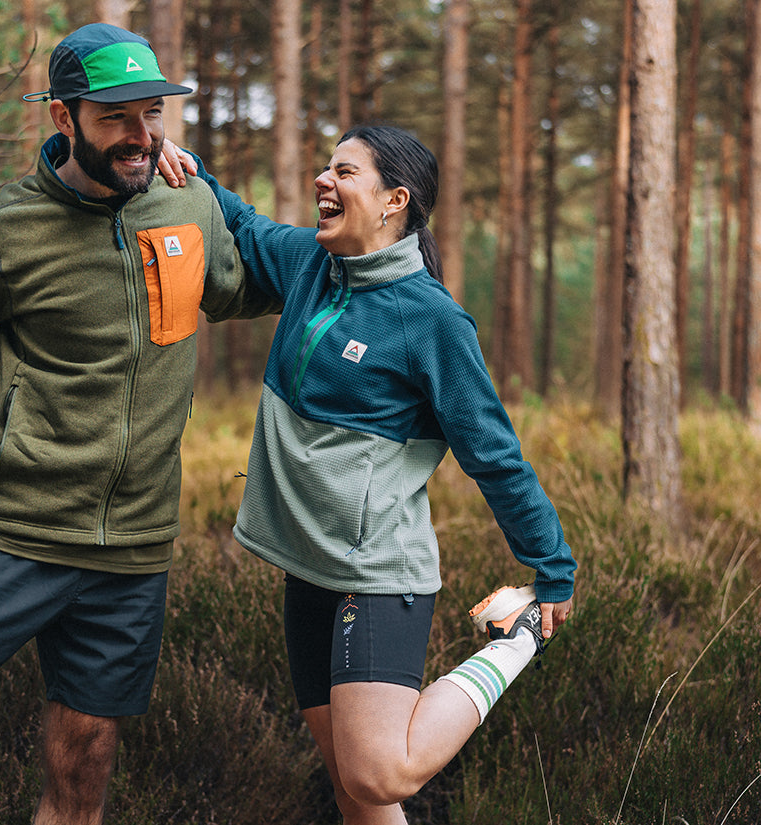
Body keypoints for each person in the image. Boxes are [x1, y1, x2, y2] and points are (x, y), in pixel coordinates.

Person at [0, 23, 274, 825]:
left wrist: (348, 265)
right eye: (116, 116)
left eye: (150, 113)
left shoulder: (187, 200)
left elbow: (239, 285)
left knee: (81, 779)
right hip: (16, 525)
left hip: (133, 546)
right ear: (64, 118)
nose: (140, 135)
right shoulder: (12, 228)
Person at [193, 124, 578, 823]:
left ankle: (515, 639)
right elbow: (242, 224)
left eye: (344, 171)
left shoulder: (430, 319)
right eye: (325, 166)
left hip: (376, 576)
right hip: (307, 570)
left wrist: (551, 566)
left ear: (394, 199)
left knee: (379, 775)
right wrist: (182, 167)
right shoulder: (310, 266)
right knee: (352, 790)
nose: (323, 180)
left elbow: (492, 452)